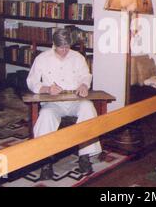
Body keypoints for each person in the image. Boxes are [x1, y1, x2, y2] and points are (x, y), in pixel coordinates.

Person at [27, 28, 101, 180]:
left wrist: (84, 86)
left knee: (88, 107)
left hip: (75, 100)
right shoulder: (42, 58)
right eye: (61, 48)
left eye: (68, 47)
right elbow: (31, 81)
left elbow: (85, 76)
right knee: (46, 116)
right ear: (54, 44)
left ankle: (84, 156)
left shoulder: (78, 57)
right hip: (53, 102)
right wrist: (47, 88)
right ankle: (45, 161)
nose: (65, 51)